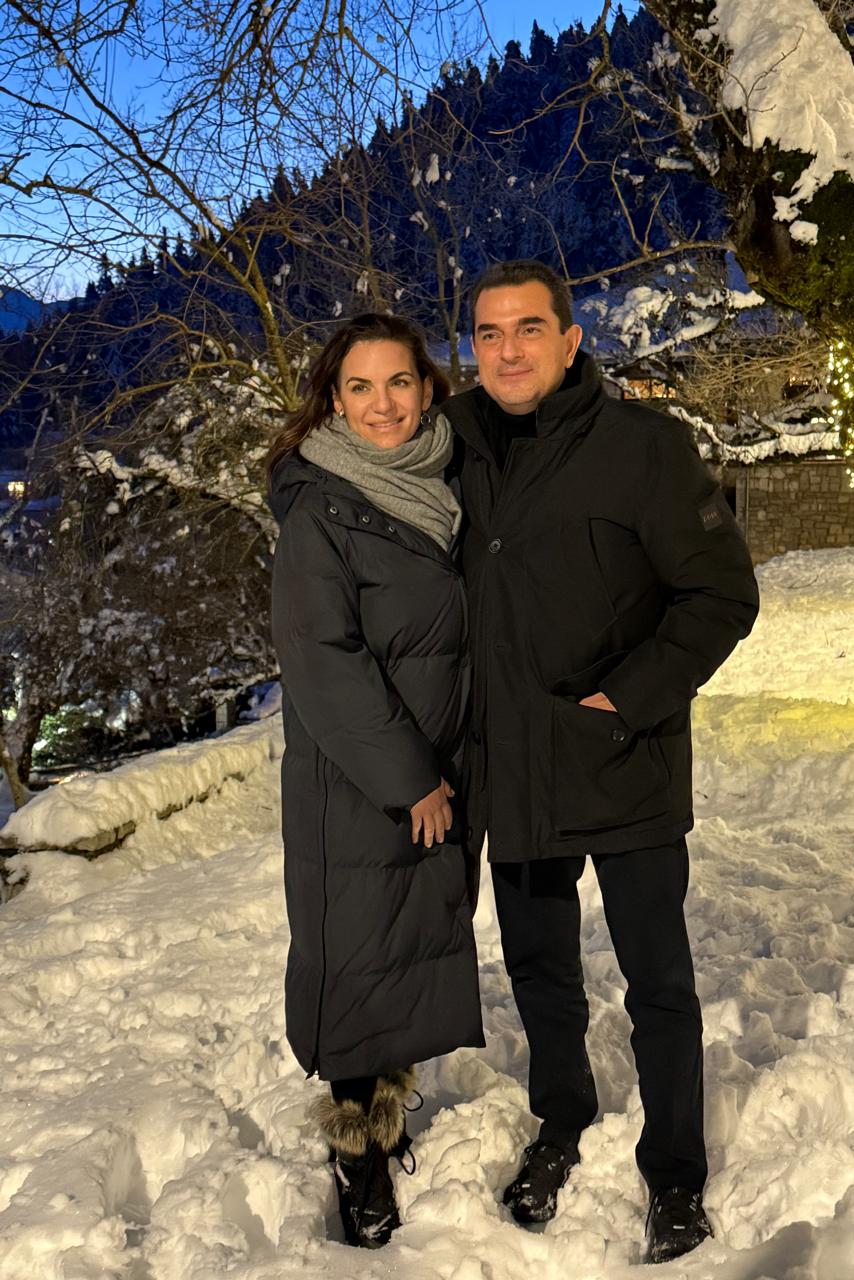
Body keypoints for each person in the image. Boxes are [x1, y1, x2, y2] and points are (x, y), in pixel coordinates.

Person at [443, 261, 759, 1264]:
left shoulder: (643, 447)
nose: (508, 350)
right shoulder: (452, 446)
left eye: (529, 328)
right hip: (513, 763)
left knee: (656, 977)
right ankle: (562, 1118)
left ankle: (675, 1171)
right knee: (540, 970)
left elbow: (720, 593)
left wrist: (627, 698)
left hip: (623, 756)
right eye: (489, 333)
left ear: (572, 339)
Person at [266, 313, 484, 1250]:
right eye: (359, 387)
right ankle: (357, 1154)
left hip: (437, 764)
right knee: (357, 956)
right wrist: (411, 778)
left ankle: (389, 1110)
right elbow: (323, 661)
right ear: (332, 399)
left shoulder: (445, 481)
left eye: (399, 382)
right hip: (362, 779)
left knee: (402, 946)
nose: (382, 404)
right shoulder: (321, 508)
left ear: (427, 388)